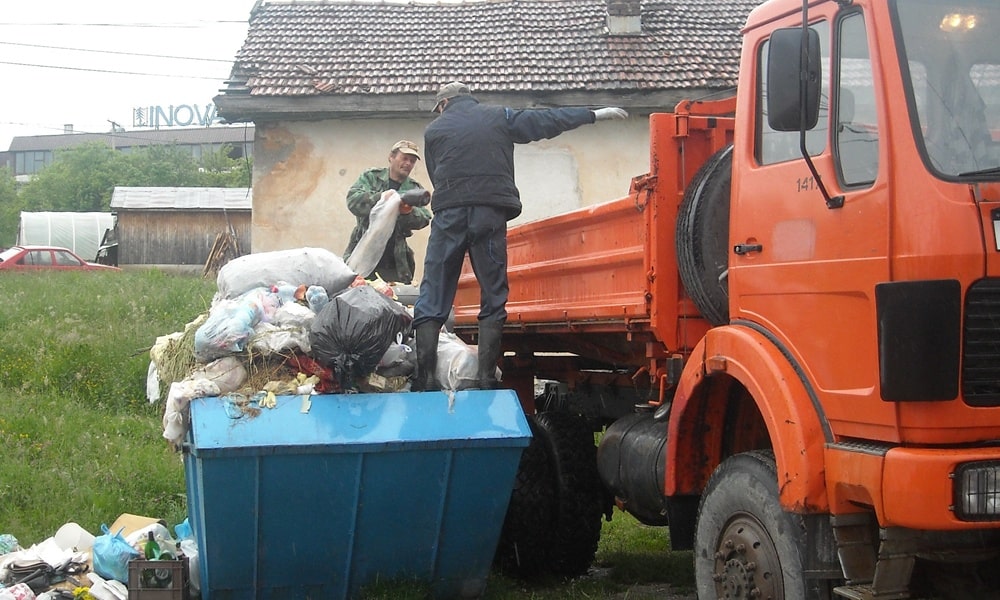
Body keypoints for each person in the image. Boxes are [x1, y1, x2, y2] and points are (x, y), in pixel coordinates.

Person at [411, 81, 628, 391]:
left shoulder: (434, 131)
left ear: (442, 105)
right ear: (468, 99)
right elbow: (543, 122)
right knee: (493, 292)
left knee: (434, 293)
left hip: (449, 215)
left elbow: (436, 174)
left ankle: (425, 380)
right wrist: (592, 114)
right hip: (490, 212)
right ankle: (486, 377)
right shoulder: (499, 115)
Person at [344, 140, 432, 284]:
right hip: (363, 249)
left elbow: (425, 218)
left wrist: (406, 212)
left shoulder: (414, 188)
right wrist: (382, 198)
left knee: (395, 299)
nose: (408, 163)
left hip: (395, 260)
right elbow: (353, 201)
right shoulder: (371, 177)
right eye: (404, 158)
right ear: (391, 157)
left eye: (412, 161)